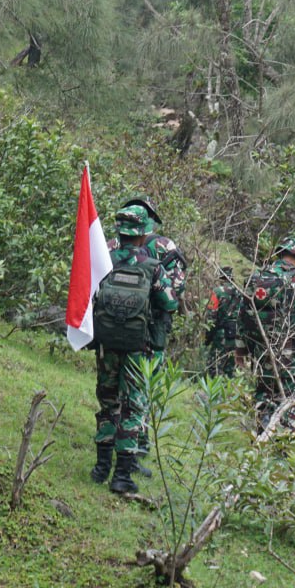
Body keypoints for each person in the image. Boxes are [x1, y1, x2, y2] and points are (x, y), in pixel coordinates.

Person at [90, 204, 178, 495]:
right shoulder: (153, 266)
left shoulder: (104, 261)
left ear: (120, 232)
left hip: (106, 344)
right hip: (138, 348)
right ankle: (122, 476)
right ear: (143, 235)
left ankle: (101, 468)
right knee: (132, 406)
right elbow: (170, 303)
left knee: (108, 402)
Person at [109, 196, 187, 477]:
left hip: (114, 327)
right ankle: (135, 449)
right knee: (141, 389)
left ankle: (111, 450)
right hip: (151, 330)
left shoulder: (111, 245)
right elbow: (175, 291)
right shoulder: (166, 247)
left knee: (113, 390)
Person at [239, 237, 295, 435]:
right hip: (292, 360)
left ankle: (261, 442)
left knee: (264, 398)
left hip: (262, 355)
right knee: (292, 401)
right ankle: (283, 451)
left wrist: (241, 351)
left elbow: (242, 318)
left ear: (280, 254)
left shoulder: (256, 278)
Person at [203, 266, 243, 377]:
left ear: (220, 277)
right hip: (236, 334)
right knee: (230, 368)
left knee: (214, 366)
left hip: (221, 334)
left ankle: (212, 393)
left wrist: (208, 336)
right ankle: (228, 392)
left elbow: (211, 316)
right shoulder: (240, 292)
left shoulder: (217, 292)